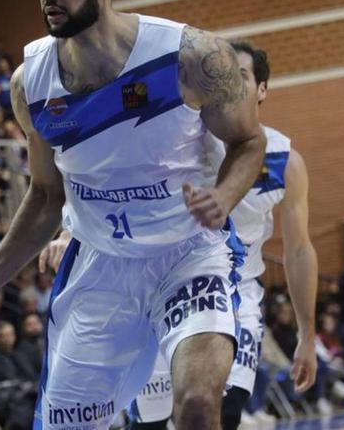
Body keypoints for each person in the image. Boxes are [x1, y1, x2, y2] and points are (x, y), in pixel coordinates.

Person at [0, 0, 267, 429]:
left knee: (198, 405)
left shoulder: (192, 56)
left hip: (189, 252)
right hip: (101, 266)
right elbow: (47, 196)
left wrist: (222, 196)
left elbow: (249, 142)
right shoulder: (30, 83)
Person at [114, 42, 318, 429]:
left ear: (262, 90)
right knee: (151, 423)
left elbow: (299, 251)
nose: (230, 85)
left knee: (216, 410)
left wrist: (307, 335)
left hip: (238, 293)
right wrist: (69, 235)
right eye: (222, 76)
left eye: (241, 76)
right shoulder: (178, 141)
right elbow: (121, 192)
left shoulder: (284, 160)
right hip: (167, 290)